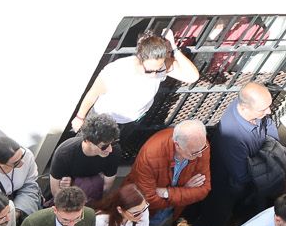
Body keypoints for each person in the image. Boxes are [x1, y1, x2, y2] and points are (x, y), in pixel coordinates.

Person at [70, 34, 199, 152]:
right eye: (149, 71)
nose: (154, 75)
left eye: (158, 70)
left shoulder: (162, 66)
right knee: (82, 152)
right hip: (103, 119)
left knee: (109, 154)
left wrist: (175, 49)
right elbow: (93, 93)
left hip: (130, 121)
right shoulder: (117, 69)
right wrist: (80, 117)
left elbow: (192, 76)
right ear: (139, 59)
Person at [211, 83, 280, 225]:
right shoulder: (231, 137)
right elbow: (242, 175)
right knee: (217, 217)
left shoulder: (251, 109)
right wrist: (269, 159)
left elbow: (269, 124)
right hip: (229, 187)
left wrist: (273, 146)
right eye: (263, 109)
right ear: (244, 107)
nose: (268, 111)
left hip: (254, 171)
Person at [127, 121, 212, 226]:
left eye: (203, 148)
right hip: (142, 209)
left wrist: (168, 193)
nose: (200, 154)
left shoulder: (200, 146)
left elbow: (204, 190)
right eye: (194, 153)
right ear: (177, 145)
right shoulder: (151, 155)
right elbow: (148, 199)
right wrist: (185, 191)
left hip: (169, 208)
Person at [47, 115, 125, 203]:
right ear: (88, 141)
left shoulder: (114, 151)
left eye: (113, 143)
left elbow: (106, 186)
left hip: (92, 190)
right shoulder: (64, 153)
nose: (110, 149)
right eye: (104, 146)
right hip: (68, 190)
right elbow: (55, 189)